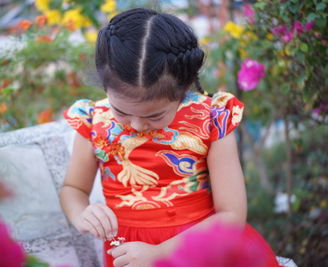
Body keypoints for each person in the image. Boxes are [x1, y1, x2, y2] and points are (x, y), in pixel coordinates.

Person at [60, 8, 280, 267]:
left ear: (183, 89)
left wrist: (158, 253)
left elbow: (231, 215)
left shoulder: (210, 121)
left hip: (202, 249)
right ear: (105, 88)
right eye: (121, 112)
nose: (137, 125)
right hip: (128, 254)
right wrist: (82, 213)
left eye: (154, 116)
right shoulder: (93, 122)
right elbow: (73, 189)